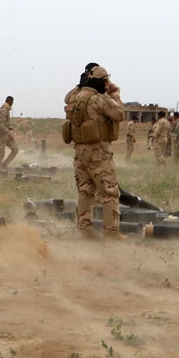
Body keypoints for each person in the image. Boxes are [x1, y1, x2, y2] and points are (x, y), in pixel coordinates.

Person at [63, 65, 125, 239]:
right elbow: (119, 113)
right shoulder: (98, 99)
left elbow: (67, 97)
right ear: (101, 82)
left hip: (80, 153)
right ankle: (111, 232)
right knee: (110, 191)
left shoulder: (75, 97)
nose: (106, 84)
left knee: (85, 191)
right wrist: (115, 93)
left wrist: (80, 85)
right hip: (98, 153)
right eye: (105, 81)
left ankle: (85, 229)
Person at [0, 96, 19, 171]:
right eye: (12, 102)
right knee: (1, 153)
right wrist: (9, 134)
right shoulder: (3, 110)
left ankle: (5, 164)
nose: (12, 104)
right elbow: (2, 125)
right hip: (2, 135)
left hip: (6, 134)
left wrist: (10, 128)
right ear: (10, 101)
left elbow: (5, 124)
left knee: (15, 150)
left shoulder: (6, 110)